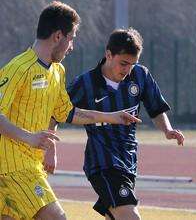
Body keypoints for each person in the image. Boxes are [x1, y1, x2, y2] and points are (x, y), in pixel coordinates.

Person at [0, 2, 141, 220]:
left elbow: (69, 113)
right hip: (12, 167)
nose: (72, 46)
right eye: (71, 37)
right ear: (58, 36)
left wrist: (112, 117)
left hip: (30, 165)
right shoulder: (19, 68)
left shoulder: (57, 71)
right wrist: (30, 138)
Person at [66, 28, 185, 220]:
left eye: (132, 64)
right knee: (131, 217)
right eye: (123, 63)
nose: (127, 69)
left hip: (129, 160)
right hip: (102, 162)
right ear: (108, 55)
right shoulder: (85, 83)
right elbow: (59, 112)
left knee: (115, 216)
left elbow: (156, 108)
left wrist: (168, 130)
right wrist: (51, 147)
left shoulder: (140, 75)